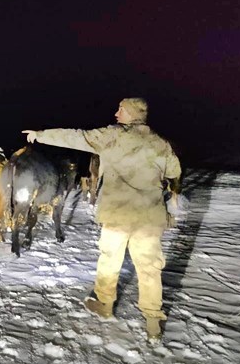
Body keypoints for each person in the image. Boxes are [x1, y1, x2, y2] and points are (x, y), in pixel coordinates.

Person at [23, 98, 182, 342]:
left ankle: (105, 305)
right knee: (149, 268)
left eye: (121, 109)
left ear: (131, 113)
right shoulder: (160, 142)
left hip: (118, 213)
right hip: (149, 216)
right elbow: (174, 172)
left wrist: (41, 135)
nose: (116, 113)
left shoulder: (112, 136)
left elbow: (76, 137)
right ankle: (153, 322)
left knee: (109, 260)